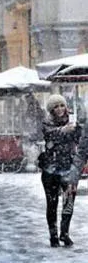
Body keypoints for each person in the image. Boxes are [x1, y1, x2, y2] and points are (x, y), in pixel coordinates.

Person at [39, 94, 81, 247]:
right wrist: (64, 130)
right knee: (52, 203)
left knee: (69, 202)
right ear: (51, 110)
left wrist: (78, 128)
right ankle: (53, 235)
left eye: (61, 105)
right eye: (55, 107)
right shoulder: (47, 123)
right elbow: (50, 135)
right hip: (51, 169)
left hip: (69, 169)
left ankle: (65, 233)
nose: (59, 109)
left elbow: (80, 140)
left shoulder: (74, 120)